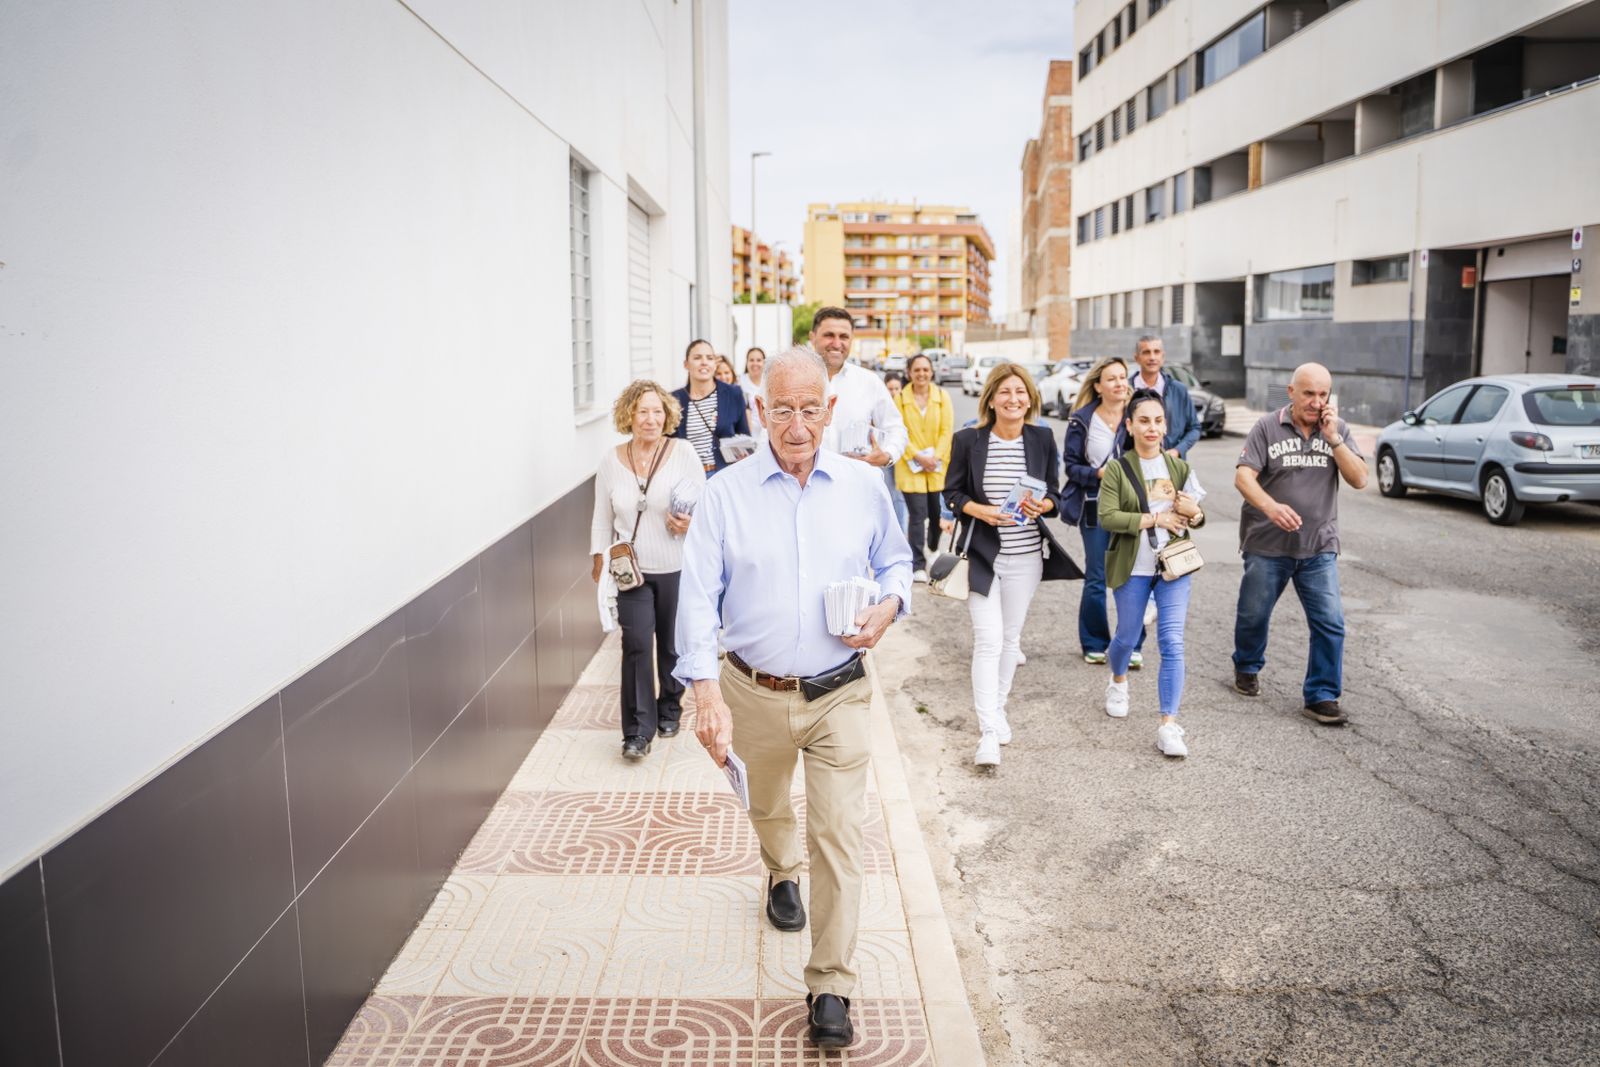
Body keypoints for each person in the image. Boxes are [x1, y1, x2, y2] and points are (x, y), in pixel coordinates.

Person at [675, 346, 912, 1049]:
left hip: (842, 690)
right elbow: (696, 601)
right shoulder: (727, 494)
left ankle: (831, 983)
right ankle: (780, 869)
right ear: (761, 410)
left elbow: (896, 558)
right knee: (769, 805)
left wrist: (891, 603)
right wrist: (705, 690)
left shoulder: (863, 487)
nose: (798, 423)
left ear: (830, 410)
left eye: (811, 408)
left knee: (839, 833)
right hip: (754, 690)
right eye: (783, 409)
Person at [944, 362, 1082, 767]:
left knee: (1009, 641)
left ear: (1031, 399)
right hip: (983, 557)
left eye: (1020, 392)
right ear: (990, 398)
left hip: (1026, 559)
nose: (1013, 399)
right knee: (988, 639)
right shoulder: (968, 440)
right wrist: (980, 511)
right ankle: (988, 731)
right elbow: (951, 493)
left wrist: (1046, 504)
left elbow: (1056, 494)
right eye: (1005, 392)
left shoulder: (1042, 438)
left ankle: (998, 708)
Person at [1232, 362, 1367, 725]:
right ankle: (1246, 664)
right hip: (1267, 543)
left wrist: (1334, 438)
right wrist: (1270, 507)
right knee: (1253, 615)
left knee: (1330, 622)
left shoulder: (1336, 430)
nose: (1316, 401)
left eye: (1323, 394)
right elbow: (1244, 478)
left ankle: (1321, 695)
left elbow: (1359, 479)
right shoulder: (1267, 427)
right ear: (1291, 392)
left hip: (1318, 545)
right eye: (1309, 393)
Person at [590, 381, 704, 759]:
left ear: (667, 415)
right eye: (643, 411)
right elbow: (601, 517)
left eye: (657, 411)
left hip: (676, 566)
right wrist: (598, 560)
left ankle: (670, 705)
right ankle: (638, 730)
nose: (651, 419)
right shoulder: (611, 460)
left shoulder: (683, 452)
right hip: (631, 571)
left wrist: (690, 523)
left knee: (671, 646)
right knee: (636, 644)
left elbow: (704, 507)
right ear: (629, 415)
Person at [1097, 389, 1207, 758]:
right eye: (1143, 420)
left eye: (1158, 420)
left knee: (1172, 641)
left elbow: (1198, 517)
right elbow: (1107, 517)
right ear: (1129, 425)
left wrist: (1194, 511)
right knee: (1126, 638)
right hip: (1134, 567)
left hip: (1174, 567)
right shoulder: (1117, 468)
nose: (1152, 427)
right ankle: (1118, 679)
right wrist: (1155, 518)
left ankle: (1169, 725)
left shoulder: (1179, 467)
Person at [1061, 357, 1145, 667]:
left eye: (1123, 377)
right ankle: (1094, 642)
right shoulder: (1081, 420)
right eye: (1112, 379)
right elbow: (1070, 465)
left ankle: (1132, 644)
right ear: (1098, 386)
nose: (1120, 383)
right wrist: (1097, 474)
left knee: (1133, 575)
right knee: (1097, 577)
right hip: (1094, 504)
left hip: (1132, 505)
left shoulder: (1137, 416)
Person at [808, 307, 908, 469]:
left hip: (856, 485)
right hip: (804, 487)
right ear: (812, 338)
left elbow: (896, 428)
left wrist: (887, 455)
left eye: (844, 337)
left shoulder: (869, 382)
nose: (837, 343)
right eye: (829, 335)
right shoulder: (794, 380)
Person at [894, 352, 954, 582]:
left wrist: (935, 457)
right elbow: (898, 431)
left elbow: (946, 430)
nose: (921, 374)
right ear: (909, 373)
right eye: (916, 370)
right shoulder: (900, 399)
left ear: (931, 372)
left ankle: (932, 547)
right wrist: (918, 456)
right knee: (917, 516)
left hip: (936, 467)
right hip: (911, 467)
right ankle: (917, 563)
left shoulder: (942, 396)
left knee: (937, 513)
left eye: (925, 370)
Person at [672, 339, 751, 473]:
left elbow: (745, 437)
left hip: (724, 476)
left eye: (709, 358)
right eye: (697, 358)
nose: (704, 362)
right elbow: (668, 444)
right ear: (686, 364)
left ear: (714, 364)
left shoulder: (733, 394)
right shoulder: (674, 400)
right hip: (688, 478)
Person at [1130, 335, 1201, 458]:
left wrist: (1177, 450)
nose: (1152, 357)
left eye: (1156, 352)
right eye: (1146, 352)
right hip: (1134, 464)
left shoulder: (1179, 390)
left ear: (1163, 357)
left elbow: (1194, 428)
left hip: (1171, 464)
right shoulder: (1127, 390)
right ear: (1137, 358)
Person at [881, 371, 910, 533]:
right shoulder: (881, 407)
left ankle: (901, 533)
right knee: (889, 496)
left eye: (897, 388)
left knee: (900, 498)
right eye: (890, 389)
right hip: (884, 458)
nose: (894, 393)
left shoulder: (906, 405)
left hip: (904, 458)